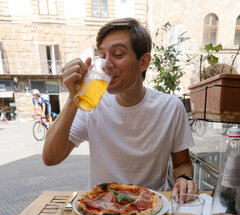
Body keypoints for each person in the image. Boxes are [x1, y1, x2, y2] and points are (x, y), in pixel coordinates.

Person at [42, 17, 198, 196]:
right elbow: (50, 158)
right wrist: (72, 98)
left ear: (143, 62)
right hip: (101, 209)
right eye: (102, 56)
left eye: (117, 54)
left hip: (151, 209)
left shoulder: (170, 107)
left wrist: (184, 179)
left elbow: (182, 163)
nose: (107, 64)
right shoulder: (93, 105)